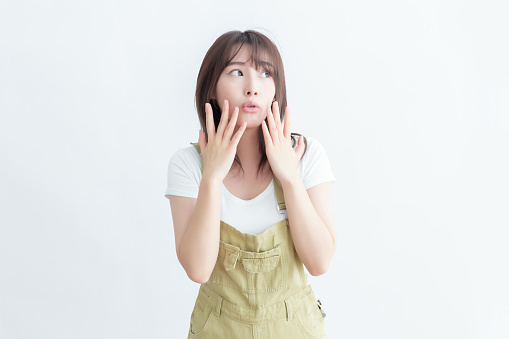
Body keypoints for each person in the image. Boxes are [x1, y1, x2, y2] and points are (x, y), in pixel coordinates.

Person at [165, 30, 336, 338]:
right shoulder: (187, 164)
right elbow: (198, 269)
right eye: (237, 72)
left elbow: (319, 261)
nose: (252, 87)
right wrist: (212, 176)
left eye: (265, 73)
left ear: (276, 89)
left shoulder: (306, 156)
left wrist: (290, 176)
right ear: (212, 88)